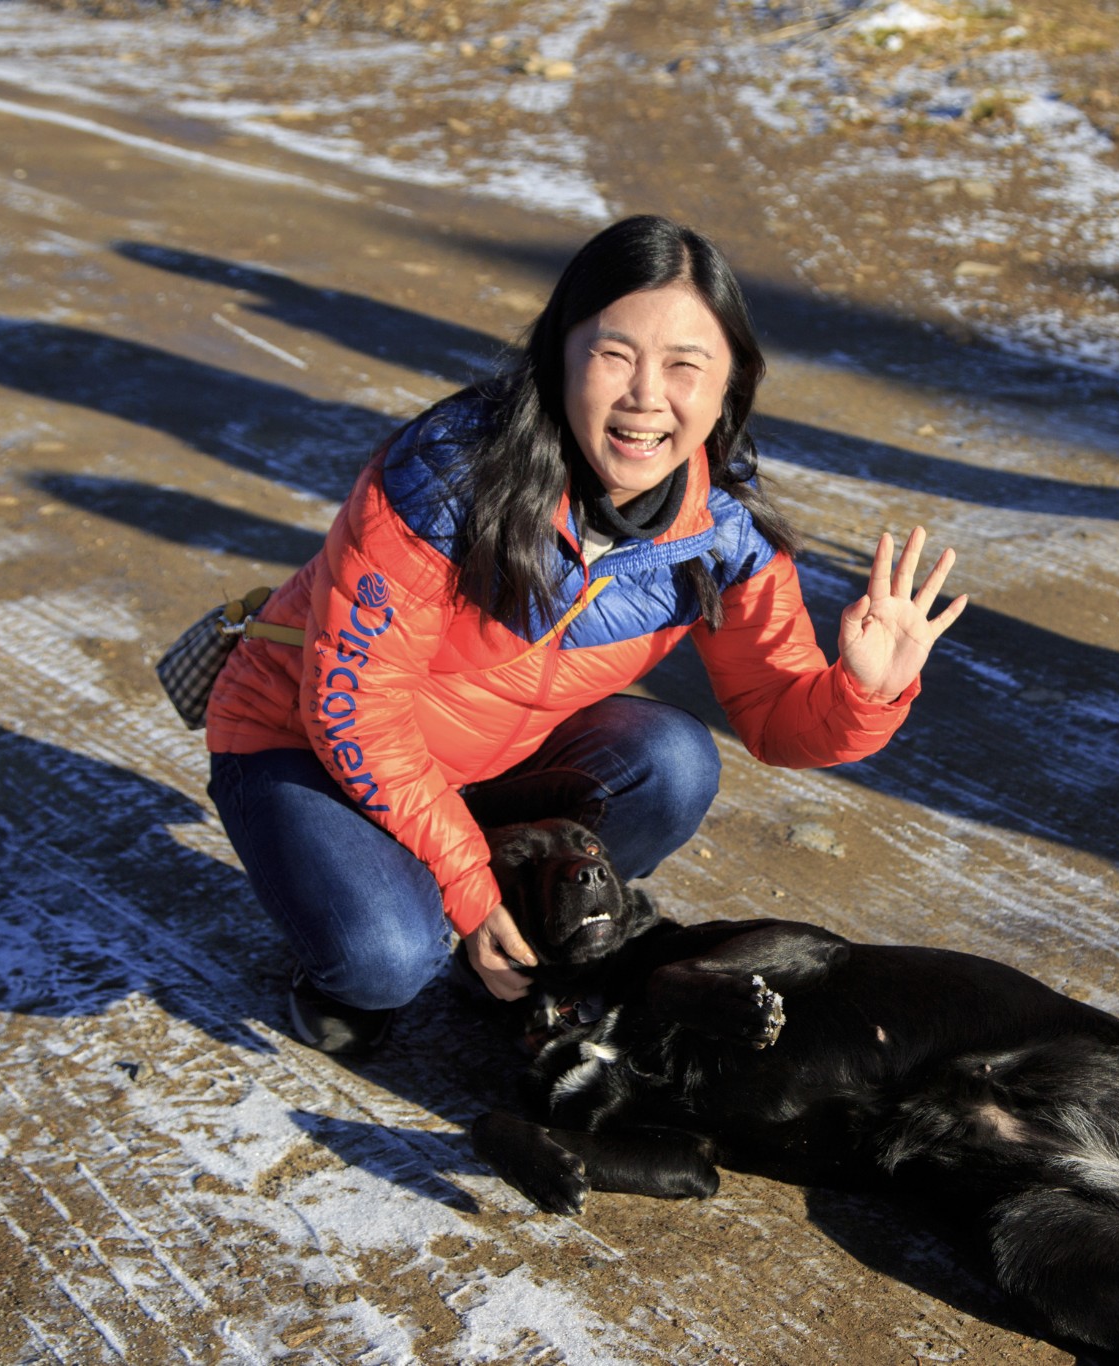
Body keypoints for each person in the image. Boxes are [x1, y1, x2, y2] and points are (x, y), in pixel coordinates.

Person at [202, 214, 966, 1054]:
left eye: (685, 365)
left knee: (674, 762)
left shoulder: (721, 528)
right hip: (306, 743)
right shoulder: (445, 475)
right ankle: (366, 945)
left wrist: (867, 688)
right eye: (614, 355)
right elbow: (355, 713)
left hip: (485, 764)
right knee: (388, 957)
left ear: (727, 387)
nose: (646, 397)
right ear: (561, 354)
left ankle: (514, 941)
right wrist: (464, 887)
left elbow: (777, 717)